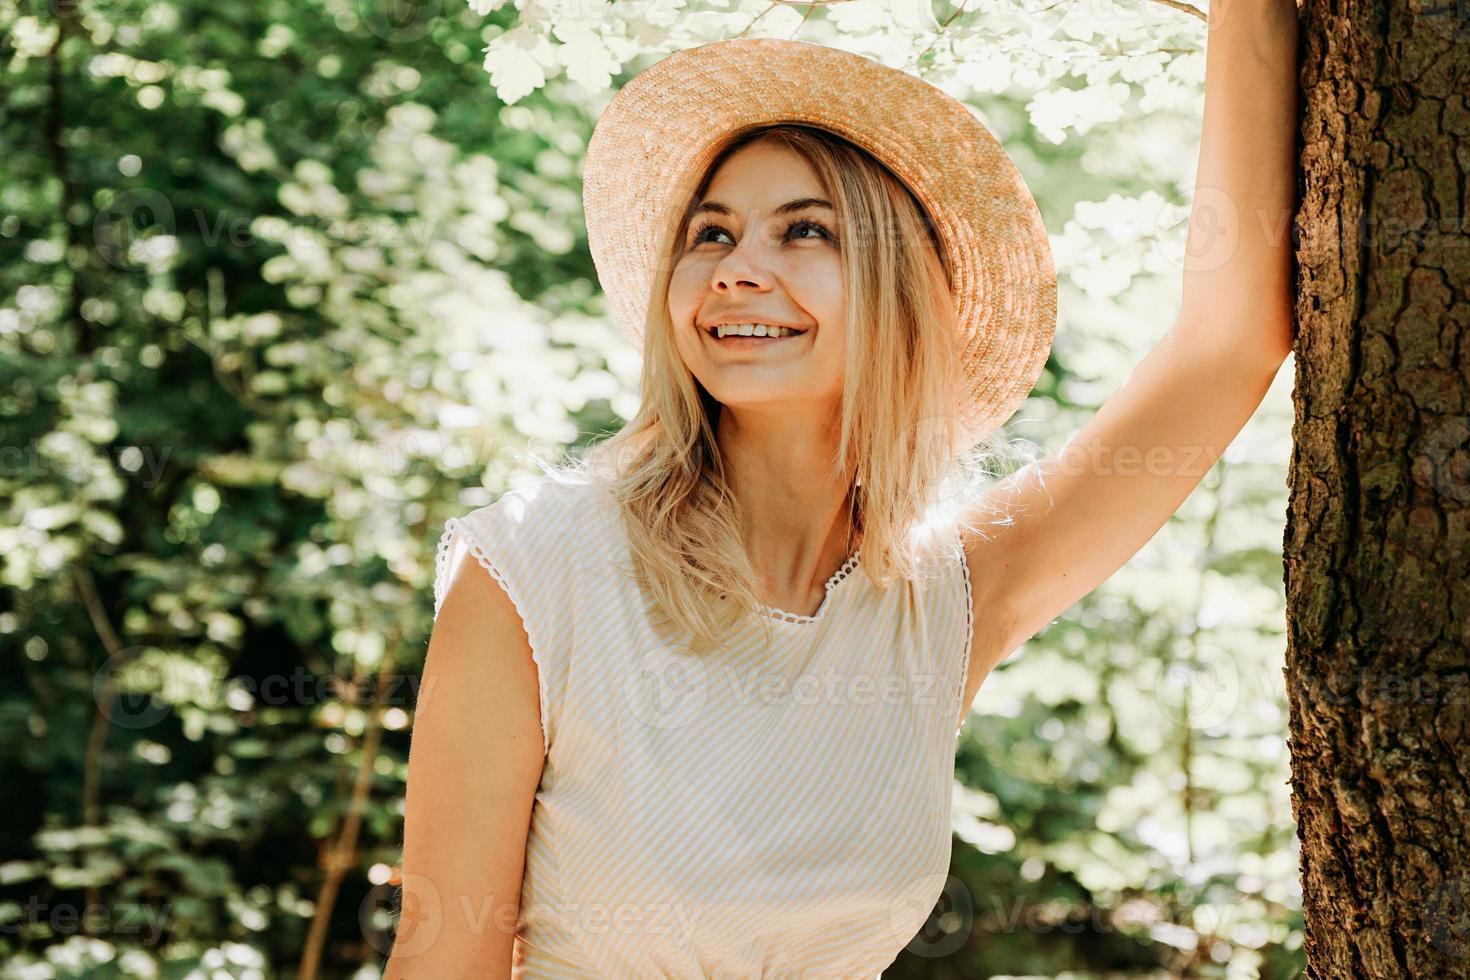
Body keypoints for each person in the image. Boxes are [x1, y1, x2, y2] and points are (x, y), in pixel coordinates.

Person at [388, 7, 1298, 975]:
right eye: (712, 233)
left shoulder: (942, 597)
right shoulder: (536, 569)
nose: (739, 270)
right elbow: (442, 958)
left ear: (894, 285)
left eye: (803, 230)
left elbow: (1227, 346)